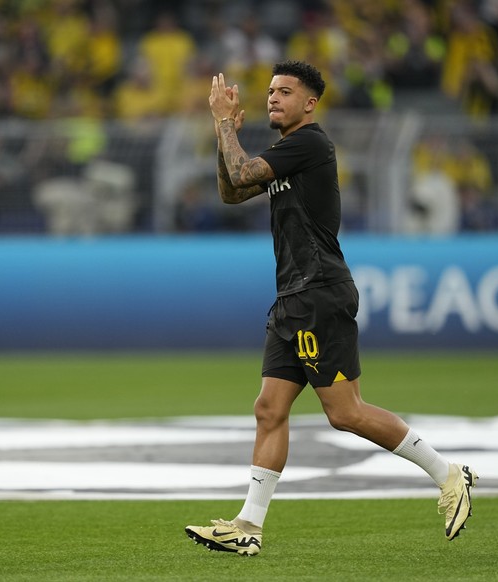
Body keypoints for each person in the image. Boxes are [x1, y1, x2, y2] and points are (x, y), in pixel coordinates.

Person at [184, 60, 477, 557]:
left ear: (310, 103)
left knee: (345, 413)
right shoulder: (286, 151)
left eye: (285, 91)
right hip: (293, 297)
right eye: (270, 91)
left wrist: (220, 125)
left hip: (318, 293)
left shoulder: (311, 143)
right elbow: (232, 191)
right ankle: (248, 527)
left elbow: (238, 172)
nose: (273, 98)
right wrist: (226, 134)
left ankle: (448, 473)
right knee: (268, 409)